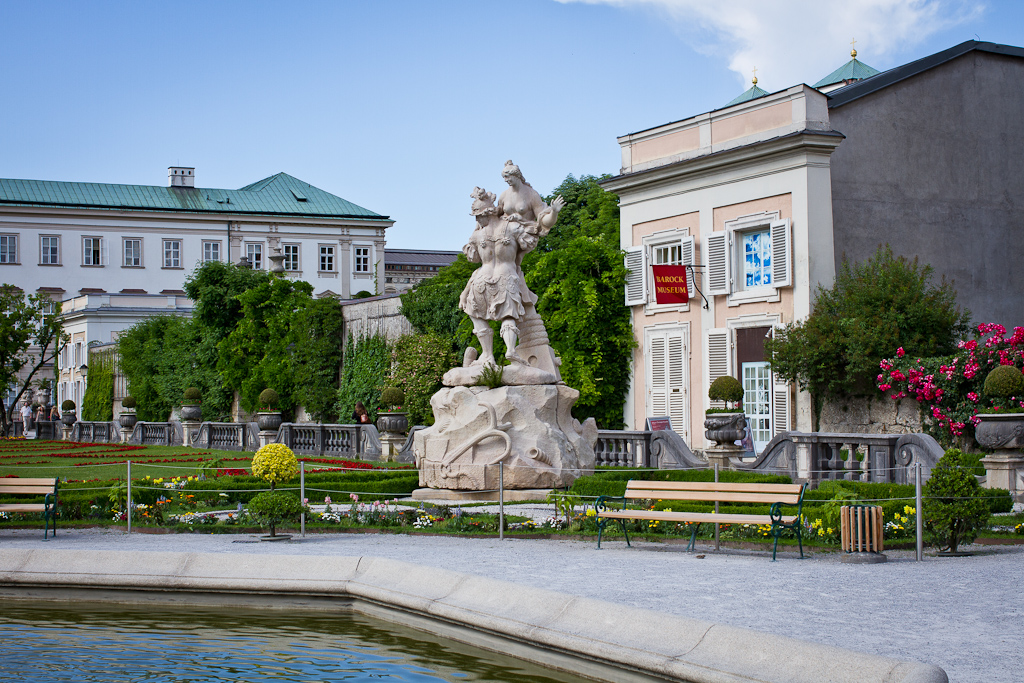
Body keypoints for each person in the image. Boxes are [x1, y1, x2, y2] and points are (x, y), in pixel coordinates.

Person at [458, 161, 564, 366]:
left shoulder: (478, 234)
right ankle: (510, 350)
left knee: (476, 314)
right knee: (508, 315)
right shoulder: (514, 228)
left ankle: (487, 354)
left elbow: (473, 258)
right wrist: (552, 214)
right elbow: (534, 235)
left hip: (481, 279)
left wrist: (551, 213)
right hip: (506, 277)